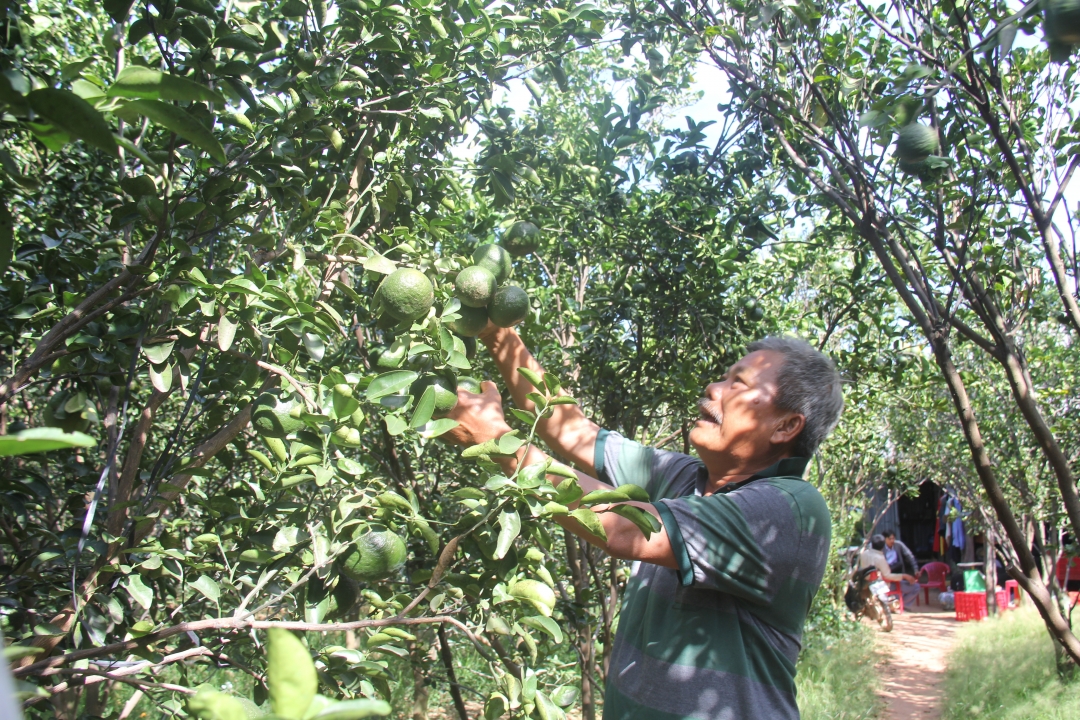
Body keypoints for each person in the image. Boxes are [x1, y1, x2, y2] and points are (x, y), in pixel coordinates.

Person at [447, 327, 844, 720]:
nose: (713, 387)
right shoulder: (686, 478)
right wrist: (497, 332)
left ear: (786, 427)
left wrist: (499, 441)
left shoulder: (788, 509)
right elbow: (569, 430)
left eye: (736, 383)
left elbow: (625, 530)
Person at [882, 530, 921, 607]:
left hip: (898, 576)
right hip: (885, 580)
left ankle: (902, 605)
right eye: (890, 539)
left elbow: (910, 556)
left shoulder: (898, 545)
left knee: (916, 587)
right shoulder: (880, 547)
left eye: (893, 538)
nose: (892, 541)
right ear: (884, 539)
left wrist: (915, 569)